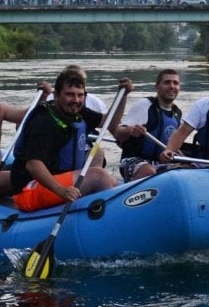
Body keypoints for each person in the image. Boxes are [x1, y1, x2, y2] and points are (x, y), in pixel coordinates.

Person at [10, 70, 132, 212]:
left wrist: (123, 96)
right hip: (29, 190)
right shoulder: (44, 122)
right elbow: (33, 165)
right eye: (70, 94)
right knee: (100, 176)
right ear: (56, 95)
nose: (76, 100)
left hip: (56, 179)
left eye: (80, 95)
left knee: (110, 177)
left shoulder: (75, 111)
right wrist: (61, 190)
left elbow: (109, 123)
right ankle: (109, 218)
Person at [114, 68, 182, 181]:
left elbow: (171, 143)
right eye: (167, 82)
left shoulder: (177, 113)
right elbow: (118, 133)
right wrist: (130, 130)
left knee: (186, 169)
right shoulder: (145, 105)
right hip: (133, 160)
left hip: (159, 163)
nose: (172, 86)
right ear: (157, 87)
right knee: (149, 171)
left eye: (175, 83)